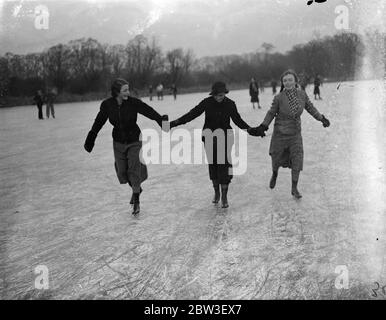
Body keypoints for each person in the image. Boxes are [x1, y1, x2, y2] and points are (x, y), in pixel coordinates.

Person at [169, 81, 263, 208]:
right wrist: (174, 123)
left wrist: (252, 131)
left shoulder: (230, 104)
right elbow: (191, 115)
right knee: (213, 165)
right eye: (218, 95)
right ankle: (216, 192)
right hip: (209, 137)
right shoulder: (206, 103)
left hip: (225, 137)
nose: (220, 97)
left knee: (224, 165)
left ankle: (224, 196)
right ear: (213, 94)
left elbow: (238, 121)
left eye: (222, 95)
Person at [84, 78, 168, 215]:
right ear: (117, 92)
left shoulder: (133, 103)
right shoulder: (107, 105)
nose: (128, 93)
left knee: (134, 170)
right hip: (118, 141)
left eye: (128, 89)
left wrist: (161, 120)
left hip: (134, 139)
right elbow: (99, 121)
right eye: (125, 90)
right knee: (122, 172)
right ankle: (137, 188)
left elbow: (148, 111)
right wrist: (91, 136)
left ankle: (136, 201)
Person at [250, 70, 330, 199]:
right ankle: (275, 173)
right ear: (282, 83)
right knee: (276, 157)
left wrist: (321, 119)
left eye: (290, 80)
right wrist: (263, 126)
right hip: (280, 133)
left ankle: (294, 188)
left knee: (297, 159)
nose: (287, 83)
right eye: (285, 80)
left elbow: (310, 108)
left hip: (295, 133)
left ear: (295, 81)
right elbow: (271, 113)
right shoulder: (278, 98)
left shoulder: (302, 95)